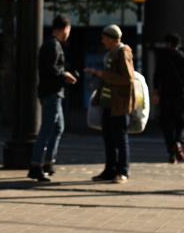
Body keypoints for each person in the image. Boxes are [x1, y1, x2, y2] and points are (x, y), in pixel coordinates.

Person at [84, 24, 135, 184]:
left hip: (119, 105)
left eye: (104, 38)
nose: (102, 41)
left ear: (112, 39)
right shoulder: (111, 53)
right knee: (109, 139)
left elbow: (127, 79)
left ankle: (123, 171)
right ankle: (110, 170)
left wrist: (101, 73)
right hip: (108, 104)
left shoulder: (123, 52)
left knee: (120, 139)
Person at [29, 14, 76, 182]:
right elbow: (51, 68)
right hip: (52, 92)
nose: (69, 33)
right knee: (48, 129)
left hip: (53, 92)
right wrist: (65, 75)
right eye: (69, 30)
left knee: (58, 127)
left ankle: (48, 162)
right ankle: (36, 165)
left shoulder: (53, 45)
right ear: (64, 29)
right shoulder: (53, 45)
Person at [152, 33, 184, 163]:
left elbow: (156, 78)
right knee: (182, 123)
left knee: (167, 125)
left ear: (168, 44)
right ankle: (178, 142)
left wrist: (155, 94)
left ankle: (171, 154)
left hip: (165, 96)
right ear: (178, 45)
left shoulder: (162, 58)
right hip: (180, 96)